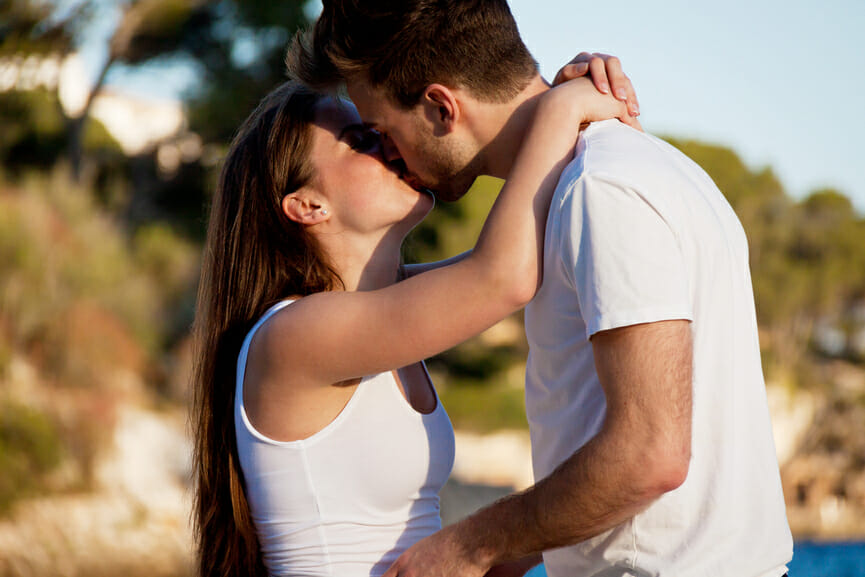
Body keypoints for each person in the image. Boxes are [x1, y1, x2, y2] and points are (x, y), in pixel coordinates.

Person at [288, 1, 794, 576]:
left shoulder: (601, 191)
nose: (391, 155)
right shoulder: (631, 172)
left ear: (439, 107)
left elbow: (649, 457)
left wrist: (465, 549)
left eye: (383, 131)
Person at [190, 58, 635, 575]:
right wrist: (559, 108)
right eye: (362, 139)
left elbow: (537, 262)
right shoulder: (292, 335)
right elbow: (504, 277)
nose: (392, 145)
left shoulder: (384, 312)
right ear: (307, 204)